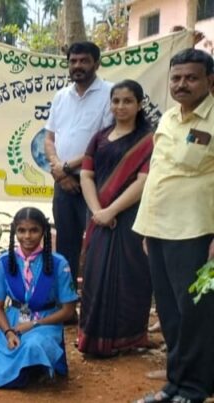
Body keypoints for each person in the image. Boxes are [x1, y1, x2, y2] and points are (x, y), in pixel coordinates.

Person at [132, 49, 214, 403]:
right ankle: (175, 384)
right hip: (159, 229)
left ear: (210, 81)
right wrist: (148, 227)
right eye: (176, 78)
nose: (182, 84)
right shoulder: (167, 118)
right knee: (169, 312)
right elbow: (159, 173)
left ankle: (196, 388)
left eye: (191, 78)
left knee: (196, 313)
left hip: (195, 231)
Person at [78, 80, 155, 356]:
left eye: (128, 101)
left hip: (131, 217)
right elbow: (86, 175)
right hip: (98, 217)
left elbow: (144, 181)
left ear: (139, 105)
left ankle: (129, 338)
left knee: (131, 277)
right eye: (116, 101)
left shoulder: (149, 140)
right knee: (94, 275)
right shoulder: (99, 137)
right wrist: (98, 210)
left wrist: (111, 211)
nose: (121, 106)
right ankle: (93, 339)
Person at [44, 41, 114, 284]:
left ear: (97, 63)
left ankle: (94, 300)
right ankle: (66, 298)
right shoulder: (61, 96)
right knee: (66, 244)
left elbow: (105, 144)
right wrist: (60, 171)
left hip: (95, 182)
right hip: (63, 184)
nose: (78, 66)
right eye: (73, 61)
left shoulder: (110, 94)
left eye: (84, 61)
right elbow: (49, 138)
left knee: (97, 243)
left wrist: (65, 168)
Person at [0, 208, 77, 388]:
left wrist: (35, 324)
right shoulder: (4, 262)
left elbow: (68, 310)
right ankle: (33, 368)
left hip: (46, 323)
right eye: (21, 230)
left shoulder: (59, 263)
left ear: (43, 231)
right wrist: (8, 332)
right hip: (13, 322)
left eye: (34, 230)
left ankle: (37, 368)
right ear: (15, 231)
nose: (27, 236)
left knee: (33, 345)